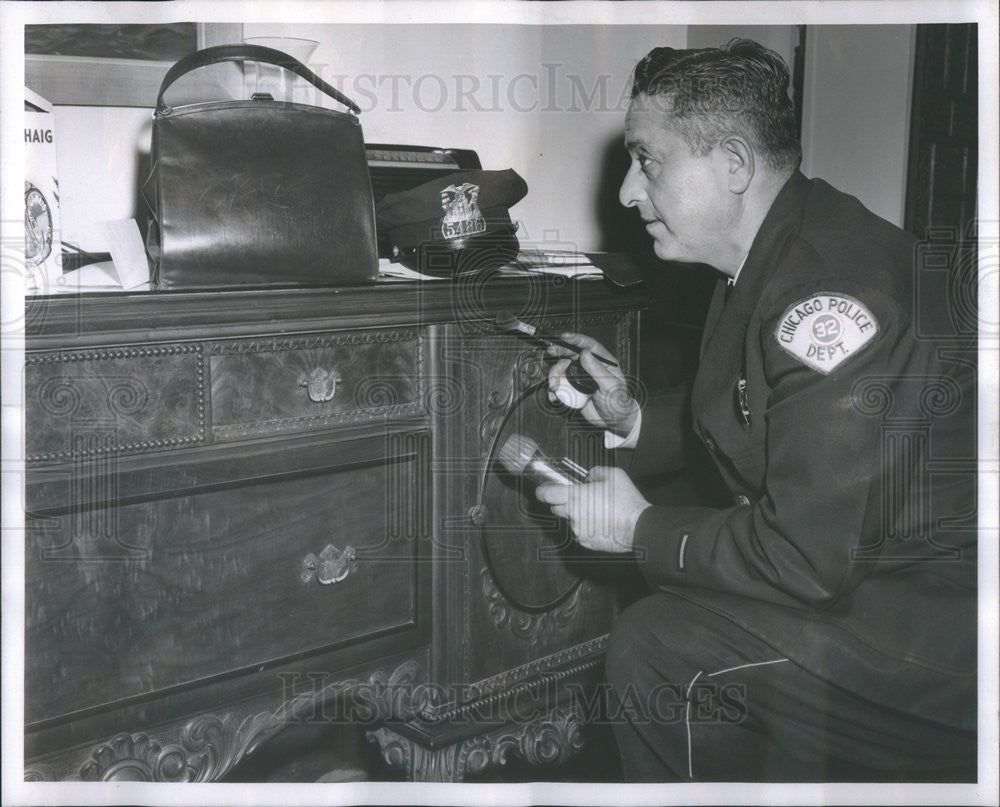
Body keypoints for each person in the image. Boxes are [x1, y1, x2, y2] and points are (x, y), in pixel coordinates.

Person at [536, 40, 977, 782]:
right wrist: (631, 419)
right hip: (870, 576)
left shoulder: (831, 297)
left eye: (648, 161)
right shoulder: (781, 245)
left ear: (734, 165)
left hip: (935, 627)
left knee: (657, 645)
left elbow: (803, 555)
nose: (626, 194)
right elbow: (764, 409)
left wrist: (636, 525)